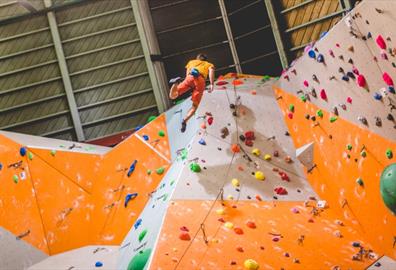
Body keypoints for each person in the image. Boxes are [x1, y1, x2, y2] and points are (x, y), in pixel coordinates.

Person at [169, 53, 215, 132]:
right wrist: (211, 84)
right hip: (200, 80)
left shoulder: (191, 62)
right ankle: (184, 121)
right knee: (195, 106)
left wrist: (188, 83)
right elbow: (211, 72)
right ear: (205, 60)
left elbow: (187, 73)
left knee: (173, 96)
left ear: (197, 58)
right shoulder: (208, 64)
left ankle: (175, 83)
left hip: (190, 77)